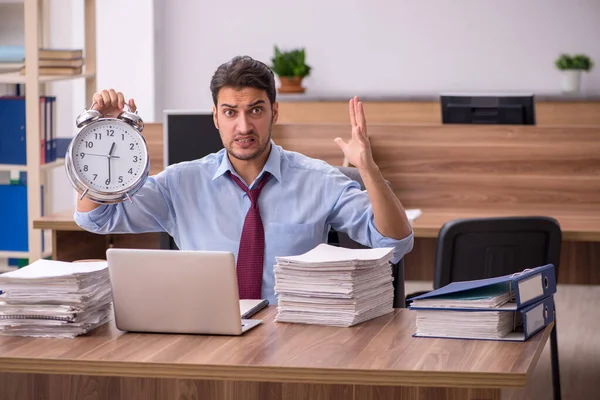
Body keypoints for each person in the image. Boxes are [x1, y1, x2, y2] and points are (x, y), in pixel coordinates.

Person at [74, 55, 414, 305]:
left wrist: (370, 169)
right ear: (215, 117)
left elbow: (395, 243)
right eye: (230, 112)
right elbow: (95, 217)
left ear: (274, 112)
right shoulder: (180, 184)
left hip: (295, 339)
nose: (244, 127)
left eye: (255, 110)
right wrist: (102, 135)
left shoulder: (319, 180)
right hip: (210, 339)